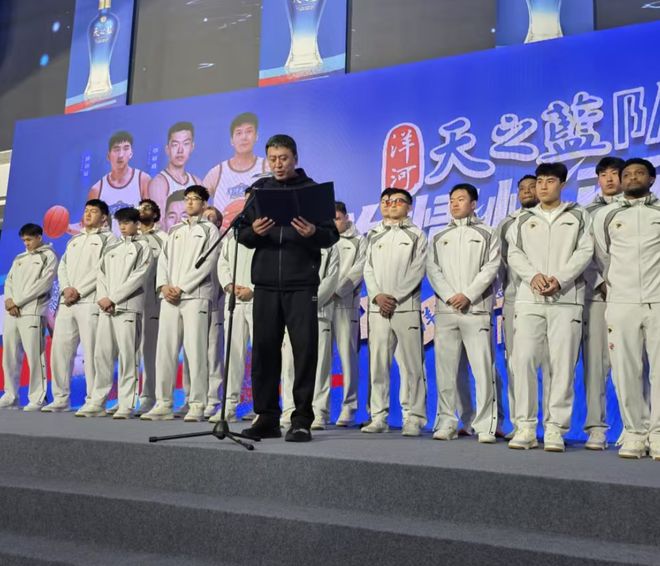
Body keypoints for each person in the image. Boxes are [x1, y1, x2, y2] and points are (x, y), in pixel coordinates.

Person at [237, 134, 339, 442]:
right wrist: (254, 231)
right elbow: (241, 234)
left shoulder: (312, 191)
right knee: (264, 351)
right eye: (272, 159)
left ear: (295, 158)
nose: (278, 164)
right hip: (265, 284)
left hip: (301, 284)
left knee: (304, 352)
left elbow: (330, 235)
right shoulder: (260, 191)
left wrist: (312, 232)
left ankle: (301, 419)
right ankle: (267, 417)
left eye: (283, 158)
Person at [507, 163, 593, 452]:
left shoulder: (578, 215)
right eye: (540, 181)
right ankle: (525, 427)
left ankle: (555, 428)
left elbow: (585, 251)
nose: (543, 187)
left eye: (550, 181)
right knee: (523, 362)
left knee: (562, 365)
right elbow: (514, 254)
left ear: (562, 185)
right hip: (529, 299)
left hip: (566, 300)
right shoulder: (522, 219)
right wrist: (533, 276)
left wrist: (560, 279)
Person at [593, 157, 660, 460]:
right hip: (621, 303)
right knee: (625, 371)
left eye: (639, 173)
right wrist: (616, 287)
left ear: (651, 179)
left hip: (657, 301)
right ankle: (634, 432)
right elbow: (602, 256)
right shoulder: (605, 215)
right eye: (628, 174)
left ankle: (657, 434)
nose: (633, 178)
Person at [427, 184, 501, 443]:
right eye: (451, 200)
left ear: (473, 204)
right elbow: (433, 270)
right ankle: (447, 422)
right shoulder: (438, 236)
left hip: (476, 310)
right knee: (446, 372)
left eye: (460, 199)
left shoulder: (488, 233)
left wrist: (468, 294)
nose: (455, 204)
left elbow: (491, 267)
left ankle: (485, 425)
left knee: (483, 370)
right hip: (447, 311)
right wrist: (450, 296)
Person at [140, 185, 220, 422]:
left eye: (195, 199)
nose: (190, 203)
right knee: (165, 351)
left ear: (204, 204)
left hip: (195, 296)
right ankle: (163, 403)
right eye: (187, 199)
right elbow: (163, 262)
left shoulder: (210, 230)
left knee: (195, 352)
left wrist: (182, 287)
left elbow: (208, 263)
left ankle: (197, 404)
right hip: (169, 298)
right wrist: (164, 286)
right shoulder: (174, 230)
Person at [362, 188, 428, 436]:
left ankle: (413, 417)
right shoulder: (372, 235)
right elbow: (367, 268)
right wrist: (377, 295)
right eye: (386, 201)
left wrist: (395, 296)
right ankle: (379, 417)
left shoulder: (416, 235)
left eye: (398, 201)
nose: (391, 205)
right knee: (378, 365)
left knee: (411, 366)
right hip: (377, 308)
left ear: (409, 207)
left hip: (405, 307)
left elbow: (417, 269)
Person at [79, 208, 153, 418]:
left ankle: (126, 404)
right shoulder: (112, 247)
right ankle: (98, 401)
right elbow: (101, 275)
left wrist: (113, 298)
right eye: (120, 223)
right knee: (101, 356)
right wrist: (104, 298)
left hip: (128, 308)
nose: (123, 226)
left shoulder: (143, 247)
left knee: (128, 357)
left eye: (127, 223)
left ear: (137, 224)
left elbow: (138, 277)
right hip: (106, 309)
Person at [43, 199, 116, 412]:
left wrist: (79, 290)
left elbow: (103, 269)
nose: (88, 214)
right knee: (60, 351)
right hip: (67, 303)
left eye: (93, 211)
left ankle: (95, 400)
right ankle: (60, 398)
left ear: (104, 217)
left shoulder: (109, 239)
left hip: (90, 302)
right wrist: (67, 288)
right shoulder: (74, 240)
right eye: (86, 211)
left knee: (93, 353)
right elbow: (63, 267)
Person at [496, 174, 550, 439]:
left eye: (533, 187)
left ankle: (552, 426)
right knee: (516, 363)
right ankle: (521, 424)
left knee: (552, 364)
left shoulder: (557, 219)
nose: (528, 191)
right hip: (514, 299)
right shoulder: (507, 223)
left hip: (553, 298)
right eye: (523, 188)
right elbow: (499, 262)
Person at [581, 156, 625, 449]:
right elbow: (582, 254)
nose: (609, 179)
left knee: (634, 364)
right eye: (603, 174)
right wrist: (601, 283)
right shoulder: (586, 213)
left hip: (632, 297)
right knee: (595, 365)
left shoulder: (641, 210)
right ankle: (596, 427)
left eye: (615, 173)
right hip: (597, 296)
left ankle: (638, 427)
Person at [280, 243, 339, 429]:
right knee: (289, 364)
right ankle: (289, 409)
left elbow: (331, 280)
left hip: (319, 313)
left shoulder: (330, 246)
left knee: (320, 365)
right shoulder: (289, 242)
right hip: (292, 313)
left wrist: (309, 302)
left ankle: (319, 411)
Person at [210, 191, 256, 424]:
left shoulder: (269, 231)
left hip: (259, 300)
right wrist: (229, 284)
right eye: (247, 199)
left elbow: (271, 266)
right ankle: (229, 406)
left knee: (263, 355)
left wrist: (253, 289)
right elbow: (223, 263)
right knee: (233, 353)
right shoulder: (234, 233)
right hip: (235, 300)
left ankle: (262, 408)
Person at [1, 224, 57, 411]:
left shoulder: (48, 256)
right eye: (24, 240)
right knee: (9, 355)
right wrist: (9, 300)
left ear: (39, 237)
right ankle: (10, 394)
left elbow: (43, 285)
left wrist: (17, 302)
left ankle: (38, 397)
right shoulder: (19, 258)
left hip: (33, 312)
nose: (26, 243)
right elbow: (9, 281)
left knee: (35, 356)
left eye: (29, 239)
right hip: (12, 313)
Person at [178, 205, 225, 418]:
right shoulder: (191, 243)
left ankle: (213, 399)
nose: (206, 219)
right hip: (193, 301)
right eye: (204, 216)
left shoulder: (223, 244)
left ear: (219, 223)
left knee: (212, 354)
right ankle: (190, 397)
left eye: (211, 217)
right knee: (191, 352)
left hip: (215, 305)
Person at [328, 201, 367, 427]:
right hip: (321, 305)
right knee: (321, 359)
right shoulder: (321, 240)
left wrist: (338, 290)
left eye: (337, 218)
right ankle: (319, 408)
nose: (334, 223)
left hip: (345, 304)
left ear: (346, 218)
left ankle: (349, 407)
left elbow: (359, 269)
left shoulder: (359, 241)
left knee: (347, 356)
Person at [136, 199, 168, 415]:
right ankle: (128, 398)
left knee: (150, 351)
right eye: (140, 208)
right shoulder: (131, 238)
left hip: (153, 304)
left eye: (147, 208)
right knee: (130, 351)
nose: (142, 211)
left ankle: (149, 397)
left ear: (156, 215)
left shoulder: (164, 238)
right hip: (130, 302)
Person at [203, 112, 267, 214]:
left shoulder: (267, 167)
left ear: (256, 136)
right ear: (231, 141)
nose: (244, 137)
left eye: (249, 131)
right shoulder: (218, 172)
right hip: (223, 224)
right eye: (239, 133)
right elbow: (197, 200)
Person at [88, 131, 151, 232]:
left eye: (126, 148)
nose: (121, 155)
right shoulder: (97, 189)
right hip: (108, 242)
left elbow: (150, 221)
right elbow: (89, 226)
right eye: (116, 149)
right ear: (108, 155)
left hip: (137, 241)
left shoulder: (143, 180)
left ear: (131, 153)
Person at [148, 122, 202, 215]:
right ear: (167, 149)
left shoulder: (197, 182)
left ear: (192, 147)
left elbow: (203, 217)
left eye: (186, 144)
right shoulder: (159, 183)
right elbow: (160, 220)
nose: (180, 150)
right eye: (175, 144)